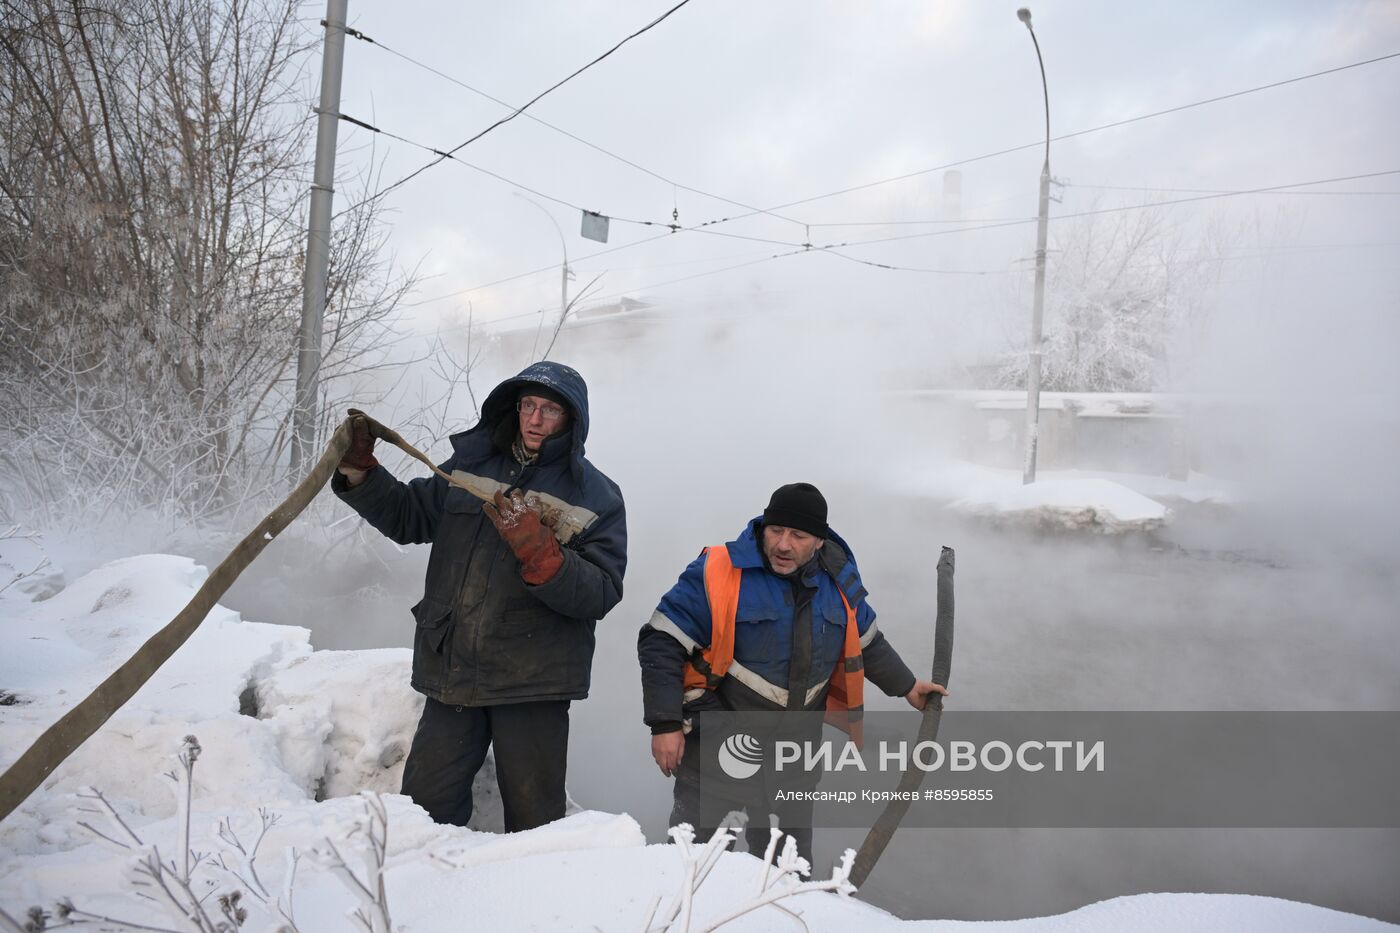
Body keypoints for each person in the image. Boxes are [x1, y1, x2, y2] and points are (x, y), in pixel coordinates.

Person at [334, 361, 626, 832]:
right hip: (454, 672)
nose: (534, 419)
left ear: (571, 420)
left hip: (533, 683)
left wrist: (542, 554)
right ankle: (425, 900)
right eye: (528, 406)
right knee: (423, 817)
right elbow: (410, 517)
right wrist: (361, 473)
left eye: (549, 410)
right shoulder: (471, 466)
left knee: (536, 829)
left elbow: (602, 592)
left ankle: (534, 904)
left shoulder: (597, 495)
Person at [637, 482, 944, 862]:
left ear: (819, 541)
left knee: (787, 875)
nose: (783, 544)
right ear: (763, 527)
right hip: (717, 746)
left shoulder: (839, 581)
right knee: (695, 869)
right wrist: (665, 725)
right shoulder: (719, 571)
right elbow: (661, 640)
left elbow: (866, 640)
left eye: (798, 535)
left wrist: (908, 686)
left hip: (793, 761)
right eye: (776, 531)